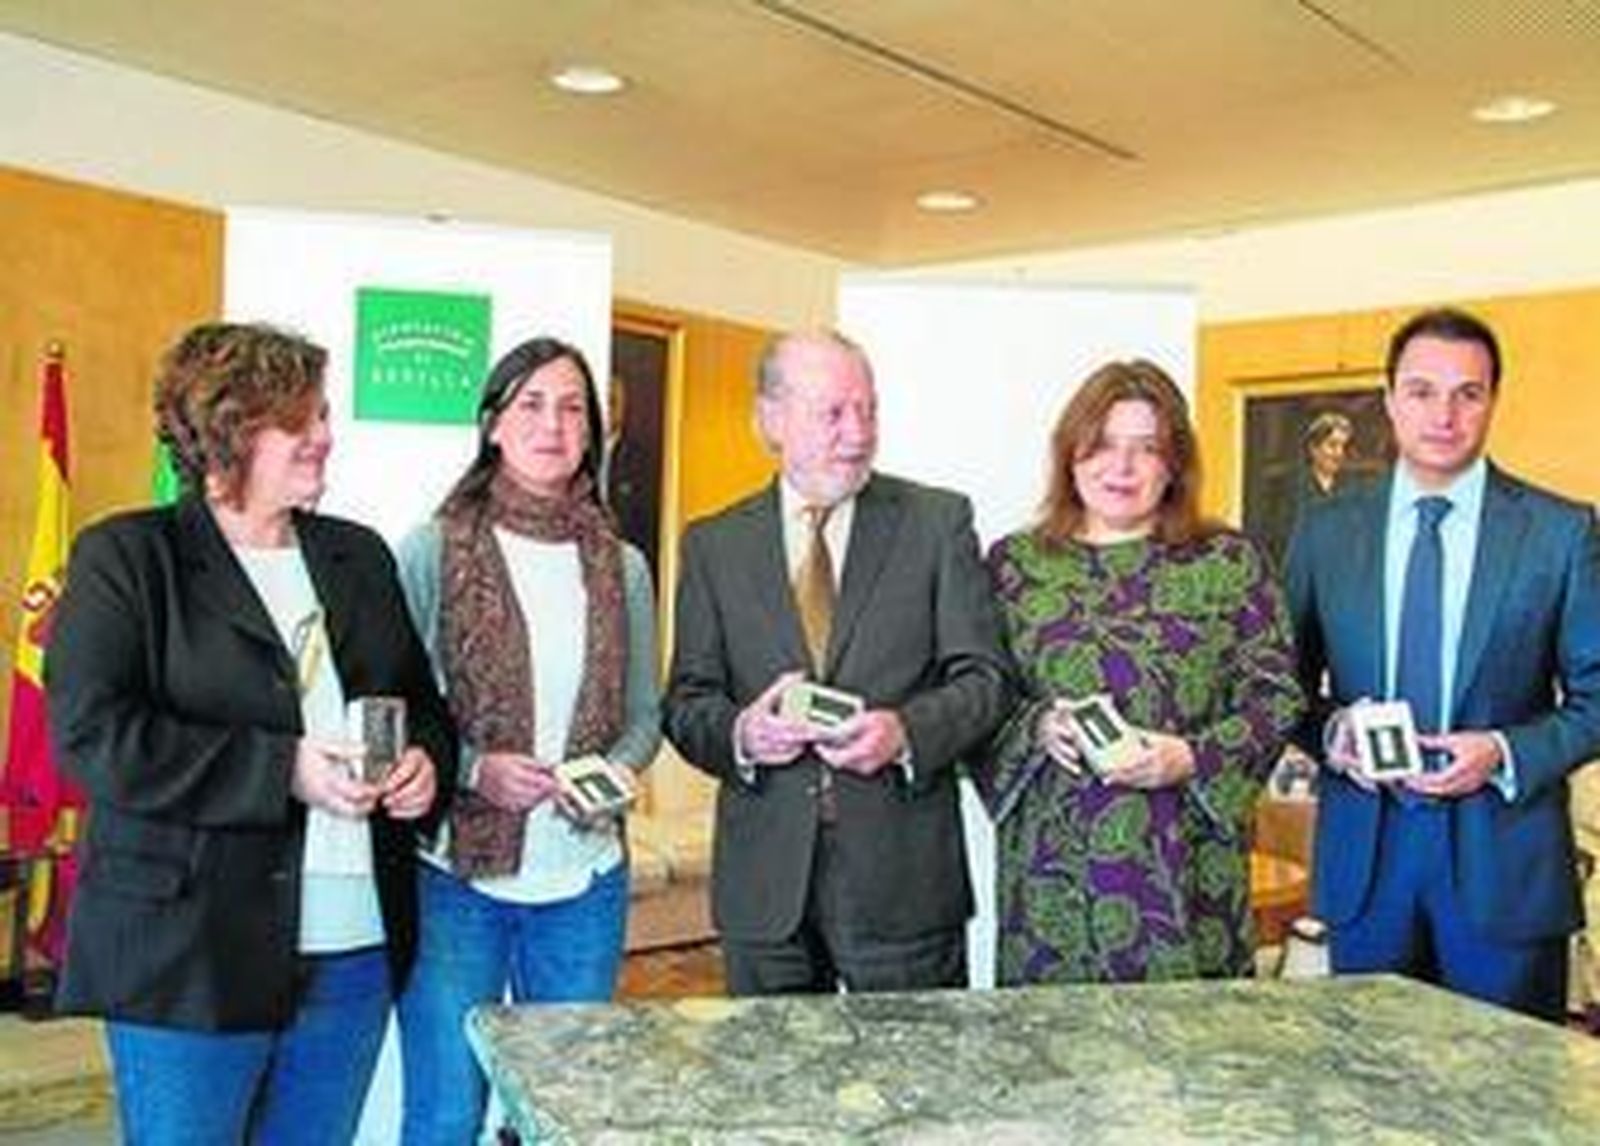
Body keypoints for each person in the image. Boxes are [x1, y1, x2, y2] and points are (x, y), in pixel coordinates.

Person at [44, 322, 455, 1144]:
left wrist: (425, 766)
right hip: (188, 954)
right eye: (300, 421)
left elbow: (424, 706)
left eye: (325, 415)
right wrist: (283, 771)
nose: (326, 437)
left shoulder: (360, 556)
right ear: (228, 431)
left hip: (355, 948)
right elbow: (96, 737)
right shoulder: (128, 557)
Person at [662, 330, 1012, 996]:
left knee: (914, 1090)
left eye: (869, 410)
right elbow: (686, 703)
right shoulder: (715, 544)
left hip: (902, 883)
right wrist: (744, 733)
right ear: (770, 419)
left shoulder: (936, 523)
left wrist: (905, 732)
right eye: (833, 413)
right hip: (765, 889)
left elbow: (986, 681)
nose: (858, 433)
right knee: (777, 1096)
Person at [1285, 307, 1600, 1021]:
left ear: (1494, 399)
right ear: (1390, 398)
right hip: (1368, 866)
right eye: (1423, 391)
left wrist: (1501, 751)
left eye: (1469, 393)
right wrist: (1332, 737)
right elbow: (1284, 689)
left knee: (1510, 1113)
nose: (1445, 415)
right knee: (1370, 1103)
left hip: (1506, 870)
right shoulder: (1326, 530)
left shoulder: (1560, 531)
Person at [395, 336, 660, 1143]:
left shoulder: (623, 565)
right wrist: (474, 770)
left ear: (593, 433)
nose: (553, 423)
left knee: (566, 1116)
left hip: (583, 882)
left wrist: (609, 774)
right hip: (453, 879)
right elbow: (397, 705)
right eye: (532, 404)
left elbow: (645, 718)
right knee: (445, 1111)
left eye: (573, 407)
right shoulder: (434, 547)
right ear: (494, 425)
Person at [977, 359, 1303, 985]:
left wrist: (1188, 757)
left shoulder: (1229, 562)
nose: (1119, 468)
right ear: (1070, 454)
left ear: (1174, 462)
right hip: (1052, 876)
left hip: (1186, 871)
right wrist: (1039, 726)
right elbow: (978, 698)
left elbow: (1277, 699)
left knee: (1191, 1063)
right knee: (1052, 1065)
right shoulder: (1014, 566)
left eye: (1145, 449)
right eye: (1100, 446)